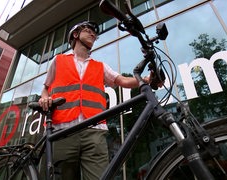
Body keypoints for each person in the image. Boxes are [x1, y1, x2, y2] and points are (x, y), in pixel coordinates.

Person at [38, 21, 153, 179]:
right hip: (62, 131)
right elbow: (45, 88)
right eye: (88, 31)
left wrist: (145, 80)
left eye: (95, 33)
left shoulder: (100, 66)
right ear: (75, 35)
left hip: (94, 132)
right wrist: (44, 99)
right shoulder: (58, 61)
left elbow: (123, 81)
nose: (93, 34)